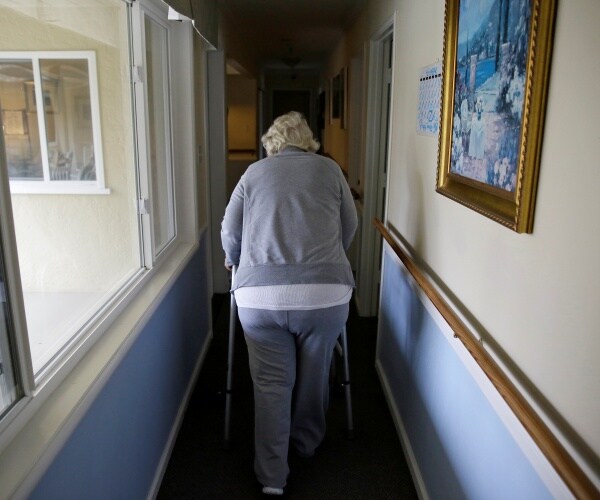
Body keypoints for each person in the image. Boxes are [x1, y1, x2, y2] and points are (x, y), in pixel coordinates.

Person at [221, 111, 358, 496]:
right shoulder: (330, 170)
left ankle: (272, 478)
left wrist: (234, 258)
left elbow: (230, 231)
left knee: (270, 385)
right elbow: (350, 224)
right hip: (325, 295)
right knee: (315, 375)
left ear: (271, 145)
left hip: (258, 296)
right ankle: (307, 443)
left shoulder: (252, 175)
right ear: (308, 142)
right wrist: (329, 257)